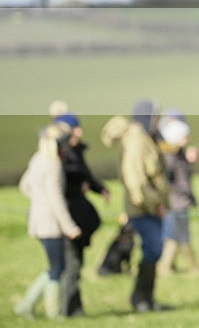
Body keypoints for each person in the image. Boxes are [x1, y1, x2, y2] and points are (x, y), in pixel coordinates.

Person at [101, 99, 169, 312]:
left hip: (147, 206)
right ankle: (140, 299)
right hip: (143, 208)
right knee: (153, 249)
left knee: (154, 250)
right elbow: (136, 181)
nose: (158, 122)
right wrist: (155, 204)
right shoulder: (137, 142)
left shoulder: (142, 139)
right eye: (156, 117)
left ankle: (145, 299)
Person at [14, 121, 81, 319]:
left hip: (37, 220)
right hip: (51, 223)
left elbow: (24, 186)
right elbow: (56, 199)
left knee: (54, 267)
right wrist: (69, 226)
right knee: (56, 268)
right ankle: (50, 312)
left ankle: (29, 306)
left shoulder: (37, 159)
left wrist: (38, 201)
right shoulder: (53, 164)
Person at [54, 113, 108, 317]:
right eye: (75, 128)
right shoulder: (60, 155)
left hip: (78, 213)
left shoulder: (75, 151)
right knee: (70, 264)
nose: (79, 132)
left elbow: (85, 175)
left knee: (74, 263)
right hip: (68, 216)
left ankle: (70, 308)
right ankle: (68, 309)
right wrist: (80, 183)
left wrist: (97, 187)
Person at [156, 111, 199, 275]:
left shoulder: (177, 154)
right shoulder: (169, 156)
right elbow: (170, 180)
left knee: (174, 235)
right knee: (179, 236)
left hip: (178, 200)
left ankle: (168, 266)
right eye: (183, 136)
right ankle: (186, 267)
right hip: (175, 201)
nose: (186, 140)